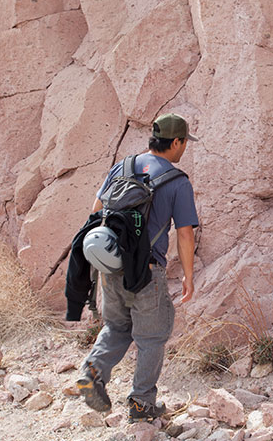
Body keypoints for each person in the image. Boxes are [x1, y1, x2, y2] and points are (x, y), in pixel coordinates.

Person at [73, 113, 199, 422]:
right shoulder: (176, 180)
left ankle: (92, 372)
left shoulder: (124, 166)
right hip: (147, 271)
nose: (184, 149)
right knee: (152, 337)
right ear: (177, 142)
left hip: (111, 265)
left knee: (117, 326)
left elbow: (96, 211)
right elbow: (184, 233)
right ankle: (142, 402)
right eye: (184, 143)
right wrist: (188, 275)